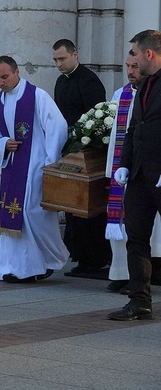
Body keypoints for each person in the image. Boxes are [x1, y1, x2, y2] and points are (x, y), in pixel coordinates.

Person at [0, 56, 69, 283]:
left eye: (5, 77)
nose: (1, 82)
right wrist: (3, 144)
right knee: (14, 215)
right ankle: (17, 267)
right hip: (13, 168)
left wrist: (51, 161)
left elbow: (57, 126)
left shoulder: (36, 96)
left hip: (35, 166)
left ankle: (51, 257)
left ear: (16, 72)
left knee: (34, 215)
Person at [109, 29, 161, 321]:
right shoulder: (143, 86)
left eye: (137, 55)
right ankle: (139, 300)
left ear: (149, 54)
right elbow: (134, 128)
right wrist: (125, 164)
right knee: (136, 237)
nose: (134, 61)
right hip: (140, 176)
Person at [52, 38, 111, 277]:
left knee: (88, 207)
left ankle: (95, 259)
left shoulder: (89, 80)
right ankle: (80, 257)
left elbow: (95, 119)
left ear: (75, 55)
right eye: (55, 60)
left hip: (88, 153)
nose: (58, 64)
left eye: (62, 59)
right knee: (72, 206)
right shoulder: (60, 81)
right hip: (69, 151)